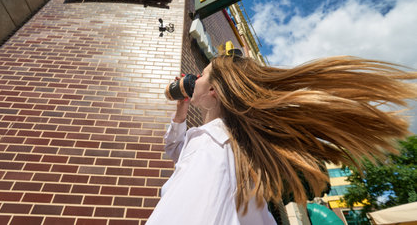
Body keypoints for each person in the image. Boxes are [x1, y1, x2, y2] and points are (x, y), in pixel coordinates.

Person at [146, 55, 417, 225]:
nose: (195, 77)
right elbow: (178, 153)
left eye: (202, 74)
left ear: (214, 90)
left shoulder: (210, 146)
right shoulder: (229, 146)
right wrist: (181, 111)